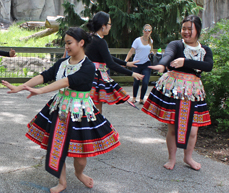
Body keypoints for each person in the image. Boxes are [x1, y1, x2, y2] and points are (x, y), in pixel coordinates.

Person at [2, 27, 120, 193]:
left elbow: (67, 81)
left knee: (80, 155)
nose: (66, 46)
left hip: (80, 112)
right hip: (60, 108)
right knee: (57, 146)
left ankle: (79, 174)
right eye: (65, 43)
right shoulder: (62, 63)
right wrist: (19, 87)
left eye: (69, 43)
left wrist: (41, 91)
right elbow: (44, 75)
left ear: (81, 43)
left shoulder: (88, 67)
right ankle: (62, 181)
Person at [142, 15, 212, 171]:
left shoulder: (205, 50)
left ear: (198, 30)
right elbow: (168, 55)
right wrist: (161, 65)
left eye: (190, 29)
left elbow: (208, 66)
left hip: (193, 92)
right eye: (184, 28)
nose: (186, 32)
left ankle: (188, 158)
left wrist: (185, 62)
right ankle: (172, 158)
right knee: (173, 127)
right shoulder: (176, 45)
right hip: (175, 90)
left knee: (193, 130)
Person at [85, 11, 143, 112]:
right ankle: (96, 126)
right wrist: (132, 73)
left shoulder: (90, 38)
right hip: (96, 77)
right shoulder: (100, 42)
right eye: (109, 24)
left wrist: (125, 63)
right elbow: (110, 63)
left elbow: (107, 57)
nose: (110, 27)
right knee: (96, 109)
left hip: (87, 74)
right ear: (103, 26)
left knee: (89, 106)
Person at [125, 24, 154, 104]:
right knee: (136, 81)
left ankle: (141, 99)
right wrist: (126, 61)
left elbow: (150, 50)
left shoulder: (151, 41)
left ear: (150, 32)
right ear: (143, 31)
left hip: (146, 63)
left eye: (148, 31)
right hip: (137, 63)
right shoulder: (137, 40)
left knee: (145, 81)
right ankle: (134, 97)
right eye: (145, 30)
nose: (147, 32)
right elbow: (131, 51)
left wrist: (152, 53)